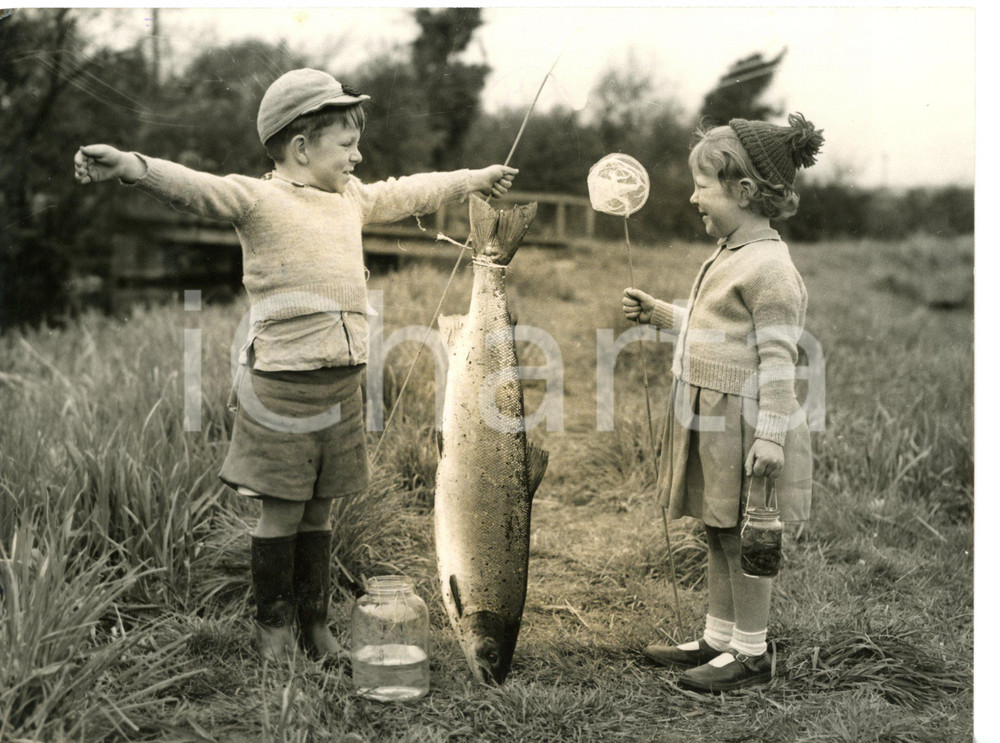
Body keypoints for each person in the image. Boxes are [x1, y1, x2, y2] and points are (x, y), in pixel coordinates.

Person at [74, 68, 518, 662]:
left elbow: (413, 190)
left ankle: (316, 625)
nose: (359, 155)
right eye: (347, 145)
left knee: (321, 509)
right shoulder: (258, 200)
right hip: (279, 389)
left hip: (342, 385)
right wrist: (132, 165)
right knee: (282, 509)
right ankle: (274, 628)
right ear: (301, 147)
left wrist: (477, 178)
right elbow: (195, 187)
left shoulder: (352, 200)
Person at [622, 113, 823, 692]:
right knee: (717, 527)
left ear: (743, 191)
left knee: (743, 534)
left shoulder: (771, 268)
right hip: (711, 413)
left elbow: (780, 360)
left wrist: (771, 434)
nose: (692, 198)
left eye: (702, 187)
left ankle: (752, 653)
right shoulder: (733, 251)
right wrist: (661, 314)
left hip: (746, 420)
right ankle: (718, 639)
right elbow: (717, 330)